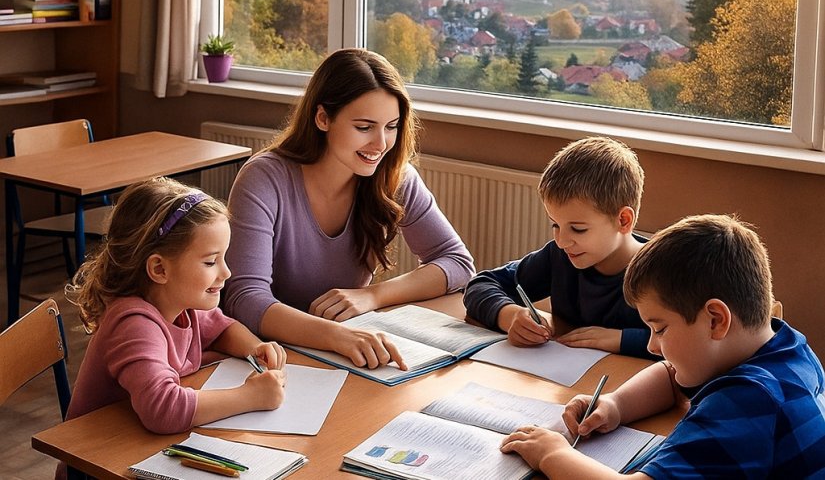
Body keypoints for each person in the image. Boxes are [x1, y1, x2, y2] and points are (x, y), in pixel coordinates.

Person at [501, 214, 825, 478]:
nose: (653, 346)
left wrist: (552, 454)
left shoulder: (748, 402)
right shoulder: (785, 347)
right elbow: (673, 377)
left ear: (715, 320)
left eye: (660, 328)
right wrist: (616, 405)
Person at [223, 48, 475, 371]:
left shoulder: (394, 176)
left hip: (344, 358)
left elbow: (457, 263)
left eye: (391, 126)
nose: (381, 144)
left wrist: (372, 296)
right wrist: (338, 337)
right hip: (271, 360)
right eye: (364, 127)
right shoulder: (263, 178)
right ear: (323, 118)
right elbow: (245, 299)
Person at [64, 177, 287, 435]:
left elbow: (221, 328)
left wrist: (254, 348)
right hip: (96, 463)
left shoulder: (180, 303)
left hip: (140, 448)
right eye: (210, 262)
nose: (226, 272)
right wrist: (250, 396)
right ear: (159, 269)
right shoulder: (133, 324)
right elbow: (163, 410)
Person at [464, 136, 652, 358]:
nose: (562, 241)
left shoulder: (661, 271)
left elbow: (698, 344)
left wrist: (621, 339)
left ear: (623, 220)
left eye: (578, 229)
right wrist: (510, 315)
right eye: (555, 224)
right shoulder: (559, 256)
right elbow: (481, 284)